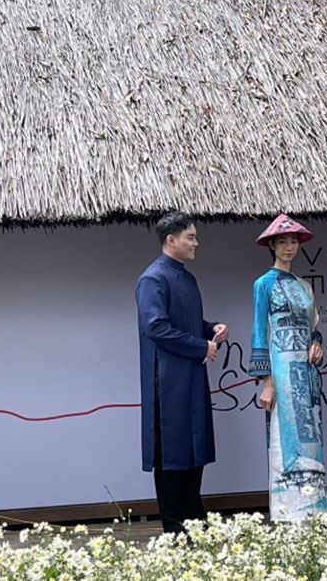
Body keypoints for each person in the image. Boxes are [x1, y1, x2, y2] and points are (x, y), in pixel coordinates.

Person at [135, 212, 229, 534]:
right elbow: (155, 327)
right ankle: (174, 528)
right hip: (169, 382)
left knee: (193, 451)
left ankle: (194, 520)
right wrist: (200, 346)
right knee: (171, 454)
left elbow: (186, 325)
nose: (196, 243)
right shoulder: (152, 279)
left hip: (191, 378)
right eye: (191, 237)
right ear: (171, 240)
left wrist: (210, 328)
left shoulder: (188, 279)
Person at [248, 214, 327, 521]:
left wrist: (317, 343)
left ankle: (315, 511)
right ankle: (287, 513)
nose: (289, 247)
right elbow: (259, 331)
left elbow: (314, 328)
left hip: (306, 374)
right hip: (280, 373)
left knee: (311, 438)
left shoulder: (304, 286)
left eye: (293, 241)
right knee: (284, 439)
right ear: (272, 245)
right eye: (282, 242)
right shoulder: (263, 285)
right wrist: (266, 381)